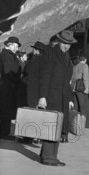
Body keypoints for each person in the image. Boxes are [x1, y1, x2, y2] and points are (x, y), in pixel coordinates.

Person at [37, 30, 76, 166]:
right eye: (64, 43)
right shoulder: (51, 54)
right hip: (52, 96)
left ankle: (49, 155)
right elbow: (45, 76)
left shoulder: (66, 56)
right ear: (59, 42)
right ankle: (48, 157)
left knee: (58, 126)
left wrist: (70, 98)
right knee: (51, 124)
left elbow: (67, 80)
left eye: (69, 44)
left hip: (63, 97)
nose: (66, 46)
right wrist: (42, 96)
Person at [0, 36, 22, 140]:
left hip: (7, 86)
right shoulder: (7, 56)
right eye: (16, 46)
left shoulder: (6, 55)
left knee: (6, 110)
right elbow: (8, 71)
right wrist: (16, 79)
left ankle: (5, 132)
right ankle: (4, 134)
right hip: (8, 87)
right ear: (10, 45)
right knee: (6, 110)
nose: (17, 48)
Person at [71, 55, 89, 130]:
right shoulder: (85, 66)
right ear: (85, 60)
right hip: (82, 88)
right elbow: (85, 77)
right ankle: (85, 124)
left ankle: (74, 123)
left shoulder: (75, 66)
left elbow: (73, 78)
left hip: (75, 88)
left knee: (76, 106)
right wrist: (87, 87)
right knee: (85, 106)